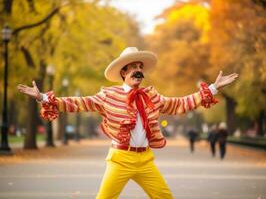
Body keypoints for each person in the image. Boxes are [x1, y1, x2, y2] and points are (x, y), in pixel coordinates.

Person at [17, 47, 238, 198]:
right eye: (132, 67)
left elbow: (181, 103)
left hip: (145, 160)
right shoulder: (108, 96)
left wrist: (213, 88)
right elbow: (79, 103)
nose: (138, 70)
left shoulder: (151, 96)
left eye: (140, 67)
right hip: (120, 159)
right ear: (123, 73)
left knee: (165, 197)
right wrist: (42, 97)